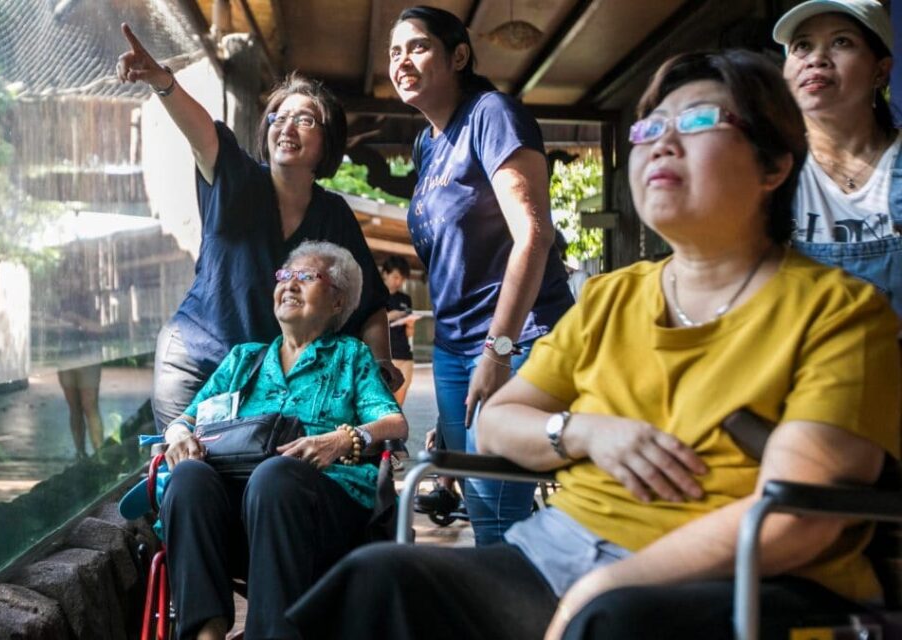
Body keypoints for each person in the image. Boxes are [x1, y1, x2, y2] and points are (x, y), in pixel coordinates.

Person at [286, 50, 901, 640]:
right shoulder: (614, 298)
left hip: (740, 576)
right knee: (377, 580)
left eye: (697, 121)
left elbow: (796, 518)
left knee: (616, 621)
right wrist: (583, 433)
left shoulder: (839, 314)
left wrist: (605, 585)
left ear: (773, 166)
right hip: (558, 548)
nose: (662, 140)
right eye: (650, 126)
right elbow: (498, 423)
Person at [116, 24, 399, 434]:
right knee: (186, 475)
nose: (286, 127)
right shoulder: (238, 177)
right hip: (196, 358)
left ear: (328, 141)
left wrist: (381, 363)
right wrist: (163, 82)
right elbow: (202, 135)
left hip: (267, 379)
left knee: (251, 480)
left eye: (304, 119)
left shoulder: (334, 214)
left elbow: (370, 303)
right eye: (278, 117)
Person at [148, 241, 407, 640]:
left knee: (276, 476)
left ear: (338, 302)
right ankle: (205, 634)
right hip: (234, 512)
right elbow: (186, 418)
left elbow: (394, 423)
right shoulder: (243, 359)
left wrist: (343, 439)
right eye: (285, 275)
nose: (290, 284)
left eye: (307, 276)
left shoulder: (350, 356)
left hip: (319, 510)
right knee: (188, 481)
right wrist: (179, 433)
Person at [389, 5, 574, 545]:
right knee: (481, 503)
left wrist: (499, 348)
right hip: (451, 346)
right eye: (395, 51)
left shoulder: (492, 114)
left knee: (496, 509)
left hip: (517, 337)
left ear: (459, 56)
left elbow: (534, 234)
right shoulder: (427, 143)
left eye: (418, 46)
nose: (403, 60)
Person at [774, 0, 902, 319]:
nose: (816, 59)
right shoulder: (765, 171)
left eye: (841, 42)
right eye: (802, 46)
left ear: (881, 71)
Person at [381, 255, 415, 405]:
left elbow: (409, 334)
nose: (399, 282)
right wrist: (390, 316)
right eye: (395, 277)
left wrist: (410, 325)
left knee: (398, 407)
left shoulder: (405, 299)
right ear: (385, 274)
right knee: (384, 406)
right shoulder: (376, 296)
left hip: (405, 355)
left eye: (402, 279)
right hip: (386, 356)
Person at [57, 364, 104, 459]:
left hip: (70, 357)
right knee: (88, 408)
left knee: (80, 408)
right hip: (80, 357)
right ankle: (97, 454)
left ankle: (86, 453)